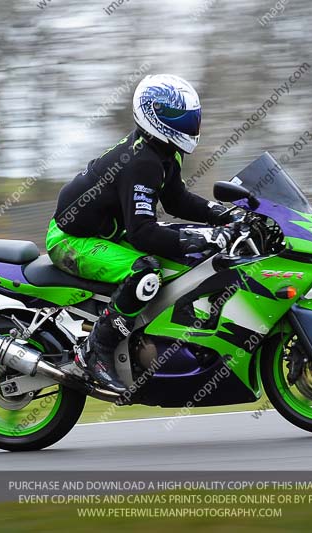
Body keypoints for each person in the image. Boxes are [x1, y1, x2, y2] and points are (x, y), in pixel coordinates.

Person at [46, 74, 235, 393]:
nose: (189, 123)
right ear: (154, 114)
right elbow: (143, 234)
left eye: (192, 116)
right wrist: (207, 237)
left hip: (104, 235)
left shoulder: (163, 151)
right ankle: (96, 352)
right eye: (179, 116)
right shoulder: (142, 161)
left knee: (182, 247)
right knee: (145, 272)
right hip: (71, 241)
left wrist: (222, 214)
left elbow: (178, 200)